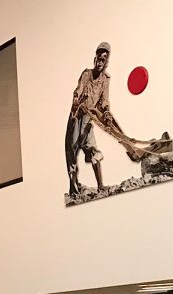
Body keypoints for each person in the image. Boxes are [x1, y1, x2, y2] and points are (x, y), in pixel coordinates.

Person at [64, 43, 116, 198]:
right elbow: (78, 89)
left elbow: (104, 100)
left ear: (106, 63)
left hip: (88, 120)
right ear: (95, 59)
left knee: (92, 149)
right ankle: (73, 187)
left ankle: (100, 186)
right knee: (72, 150)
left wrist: (106, 112)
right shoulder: (86, 74)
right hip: (76, 116)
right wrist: (76, 101)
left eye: (103, 60)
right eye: (98, 59)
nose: (100, 63)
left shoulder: (105, 80)